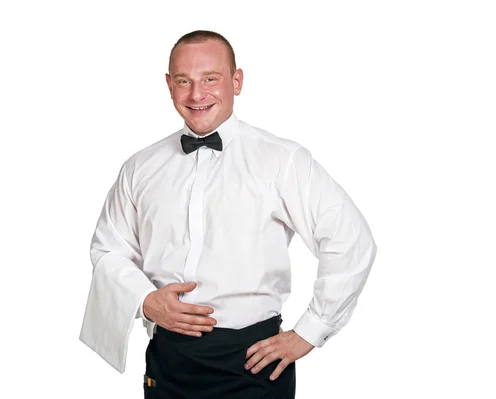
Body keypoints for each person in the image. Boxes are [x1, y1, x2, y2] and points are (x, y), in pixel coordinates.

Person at [80, 29, 377, 398]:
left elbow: (351, 239)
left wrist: (310, 332)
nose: (196, 94)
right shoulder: (139, 167)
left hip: (255, 361)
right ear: (169, 85)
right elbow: (108, 249)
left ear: (236, 81)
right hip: (168, 360)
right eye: (184, 81)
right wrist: (144, 299)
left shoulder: (282, 159)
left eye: (210, 79)